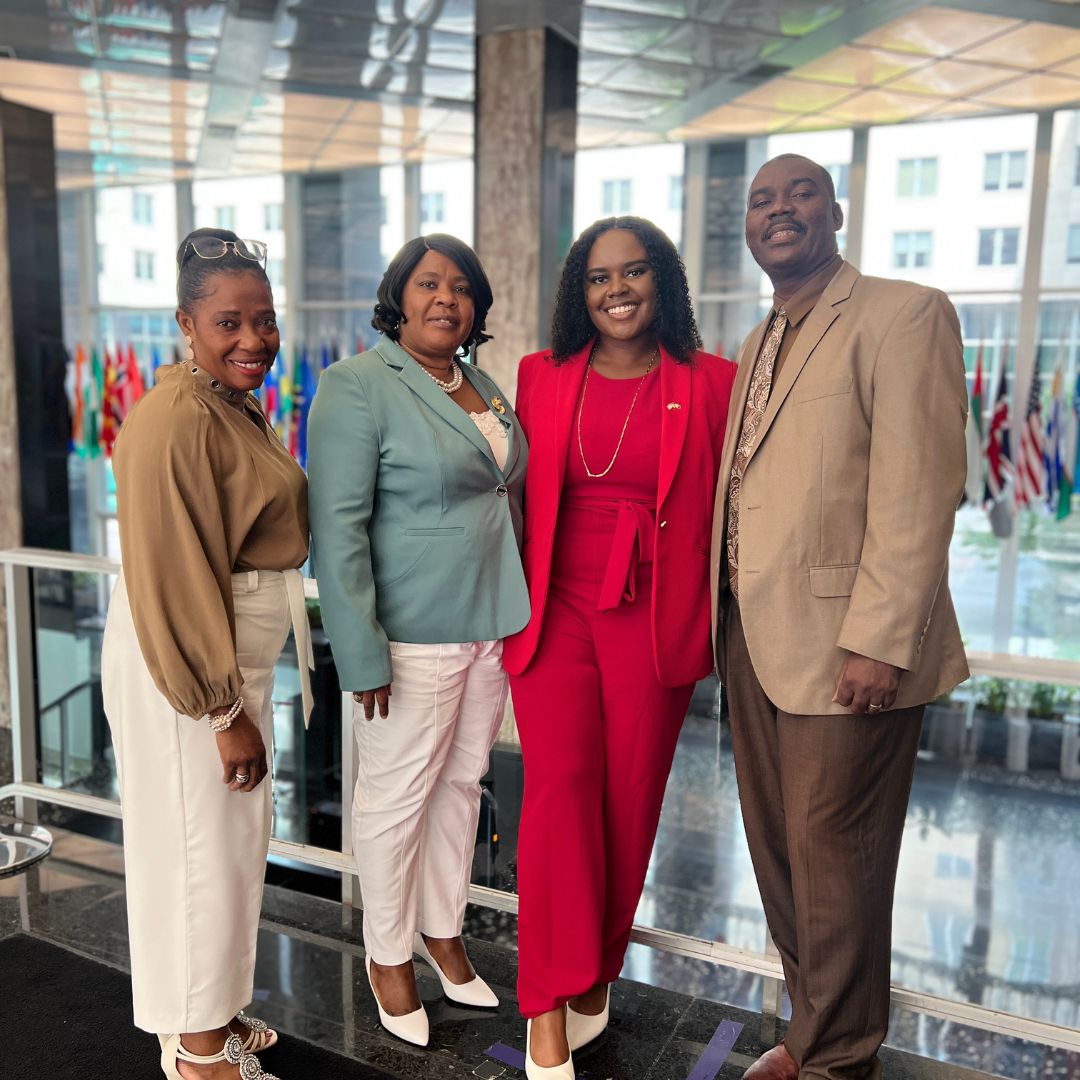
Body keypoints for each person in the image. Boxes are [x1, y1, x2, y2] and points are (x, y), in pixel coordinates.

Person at [710, 154, 970, 1080]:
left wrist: (878, 639)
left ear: (837, 212)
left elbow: (921, 489)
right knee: (782, 858)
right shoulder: (758, 339)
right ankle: (808, 1033)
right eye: (762, 201)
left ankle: (838, 1060)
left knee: (838, 864)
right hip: (754, 635)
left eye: (800, 194)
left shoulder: (904, 313)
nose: (779, 211)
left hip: (847, 647)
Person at [503, 216, 737, 1079]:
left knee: (628, 802)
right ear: (579, 292)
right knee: (560, 792)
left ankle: (595, 968)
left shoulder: (711, 382)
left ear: (662, 283)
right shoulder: (540, 376)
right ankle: (544, 1004)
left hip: (654, 614)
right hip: (556, 605)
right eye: (599, 278)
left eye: (634, 273)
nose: (617, 290)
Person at [307, 234, 529, 1048]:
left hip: (489, 621)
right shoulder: (357, 385)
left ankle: (444, 933)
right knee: (397, 799)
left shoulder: (479, 382)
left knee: (462, 786)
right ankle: (388, 954)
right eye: (429, 283)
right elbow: (336, 529)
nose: (447, 298)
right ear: (397, 297)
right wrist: (358, 651)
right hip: (408, 634)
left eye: (462, 286)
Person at [102, 227, 312, 1080]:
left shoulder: (225, 401)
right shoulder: (173, 419)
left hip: (220, 661)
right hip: (190, 672)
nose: (253, 340)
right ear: (184, 323)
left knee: (221, 849)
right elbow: (174, 577)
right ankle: (195, 1054)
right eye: (229, 322)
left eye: (264, 321)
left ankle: (208, 1017)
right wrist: (222, 711)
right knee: (195, 853)